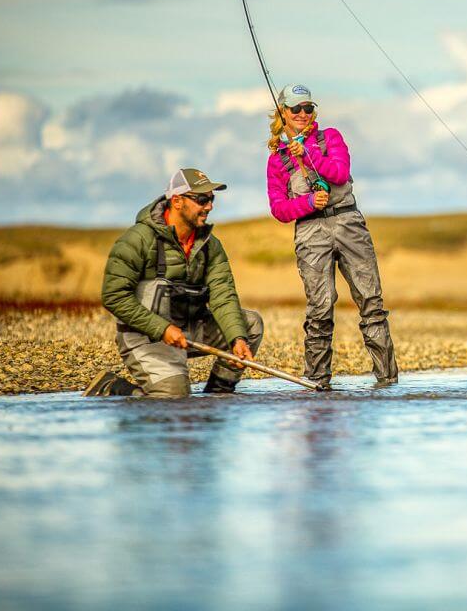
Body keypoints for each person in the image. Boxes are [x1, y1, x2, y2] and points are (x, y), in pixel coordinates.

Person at [85, 168, 264, 397]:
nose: (209, 206)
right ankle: (113, 388)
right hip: (146, 336)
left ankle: (218, 394)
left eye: (211, 199)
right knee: (175, 399)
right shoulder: (136, 240)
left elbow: (223, 295)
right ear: (177, 201)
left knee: (250, 324)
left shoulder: (211, 245)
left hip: (190, 329)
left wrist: (237, 338)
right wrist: (161, 329)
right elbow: (114, 296)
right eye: (202, 199)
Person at [266, 83, 399, 390]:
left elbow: (339, 174)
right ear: (283, 112)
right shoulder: (277, 160)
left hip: (349, 222)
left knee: (371, 303)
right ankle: (317, 382)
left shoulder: (330, 138)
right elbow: (280, 209)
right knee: (320, 309)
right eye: (296, 109)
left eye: (308, 108)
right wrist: (309, 203)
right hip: (310, 231)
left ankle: (388, 382)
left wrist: (309, 154)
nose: (302, 113)